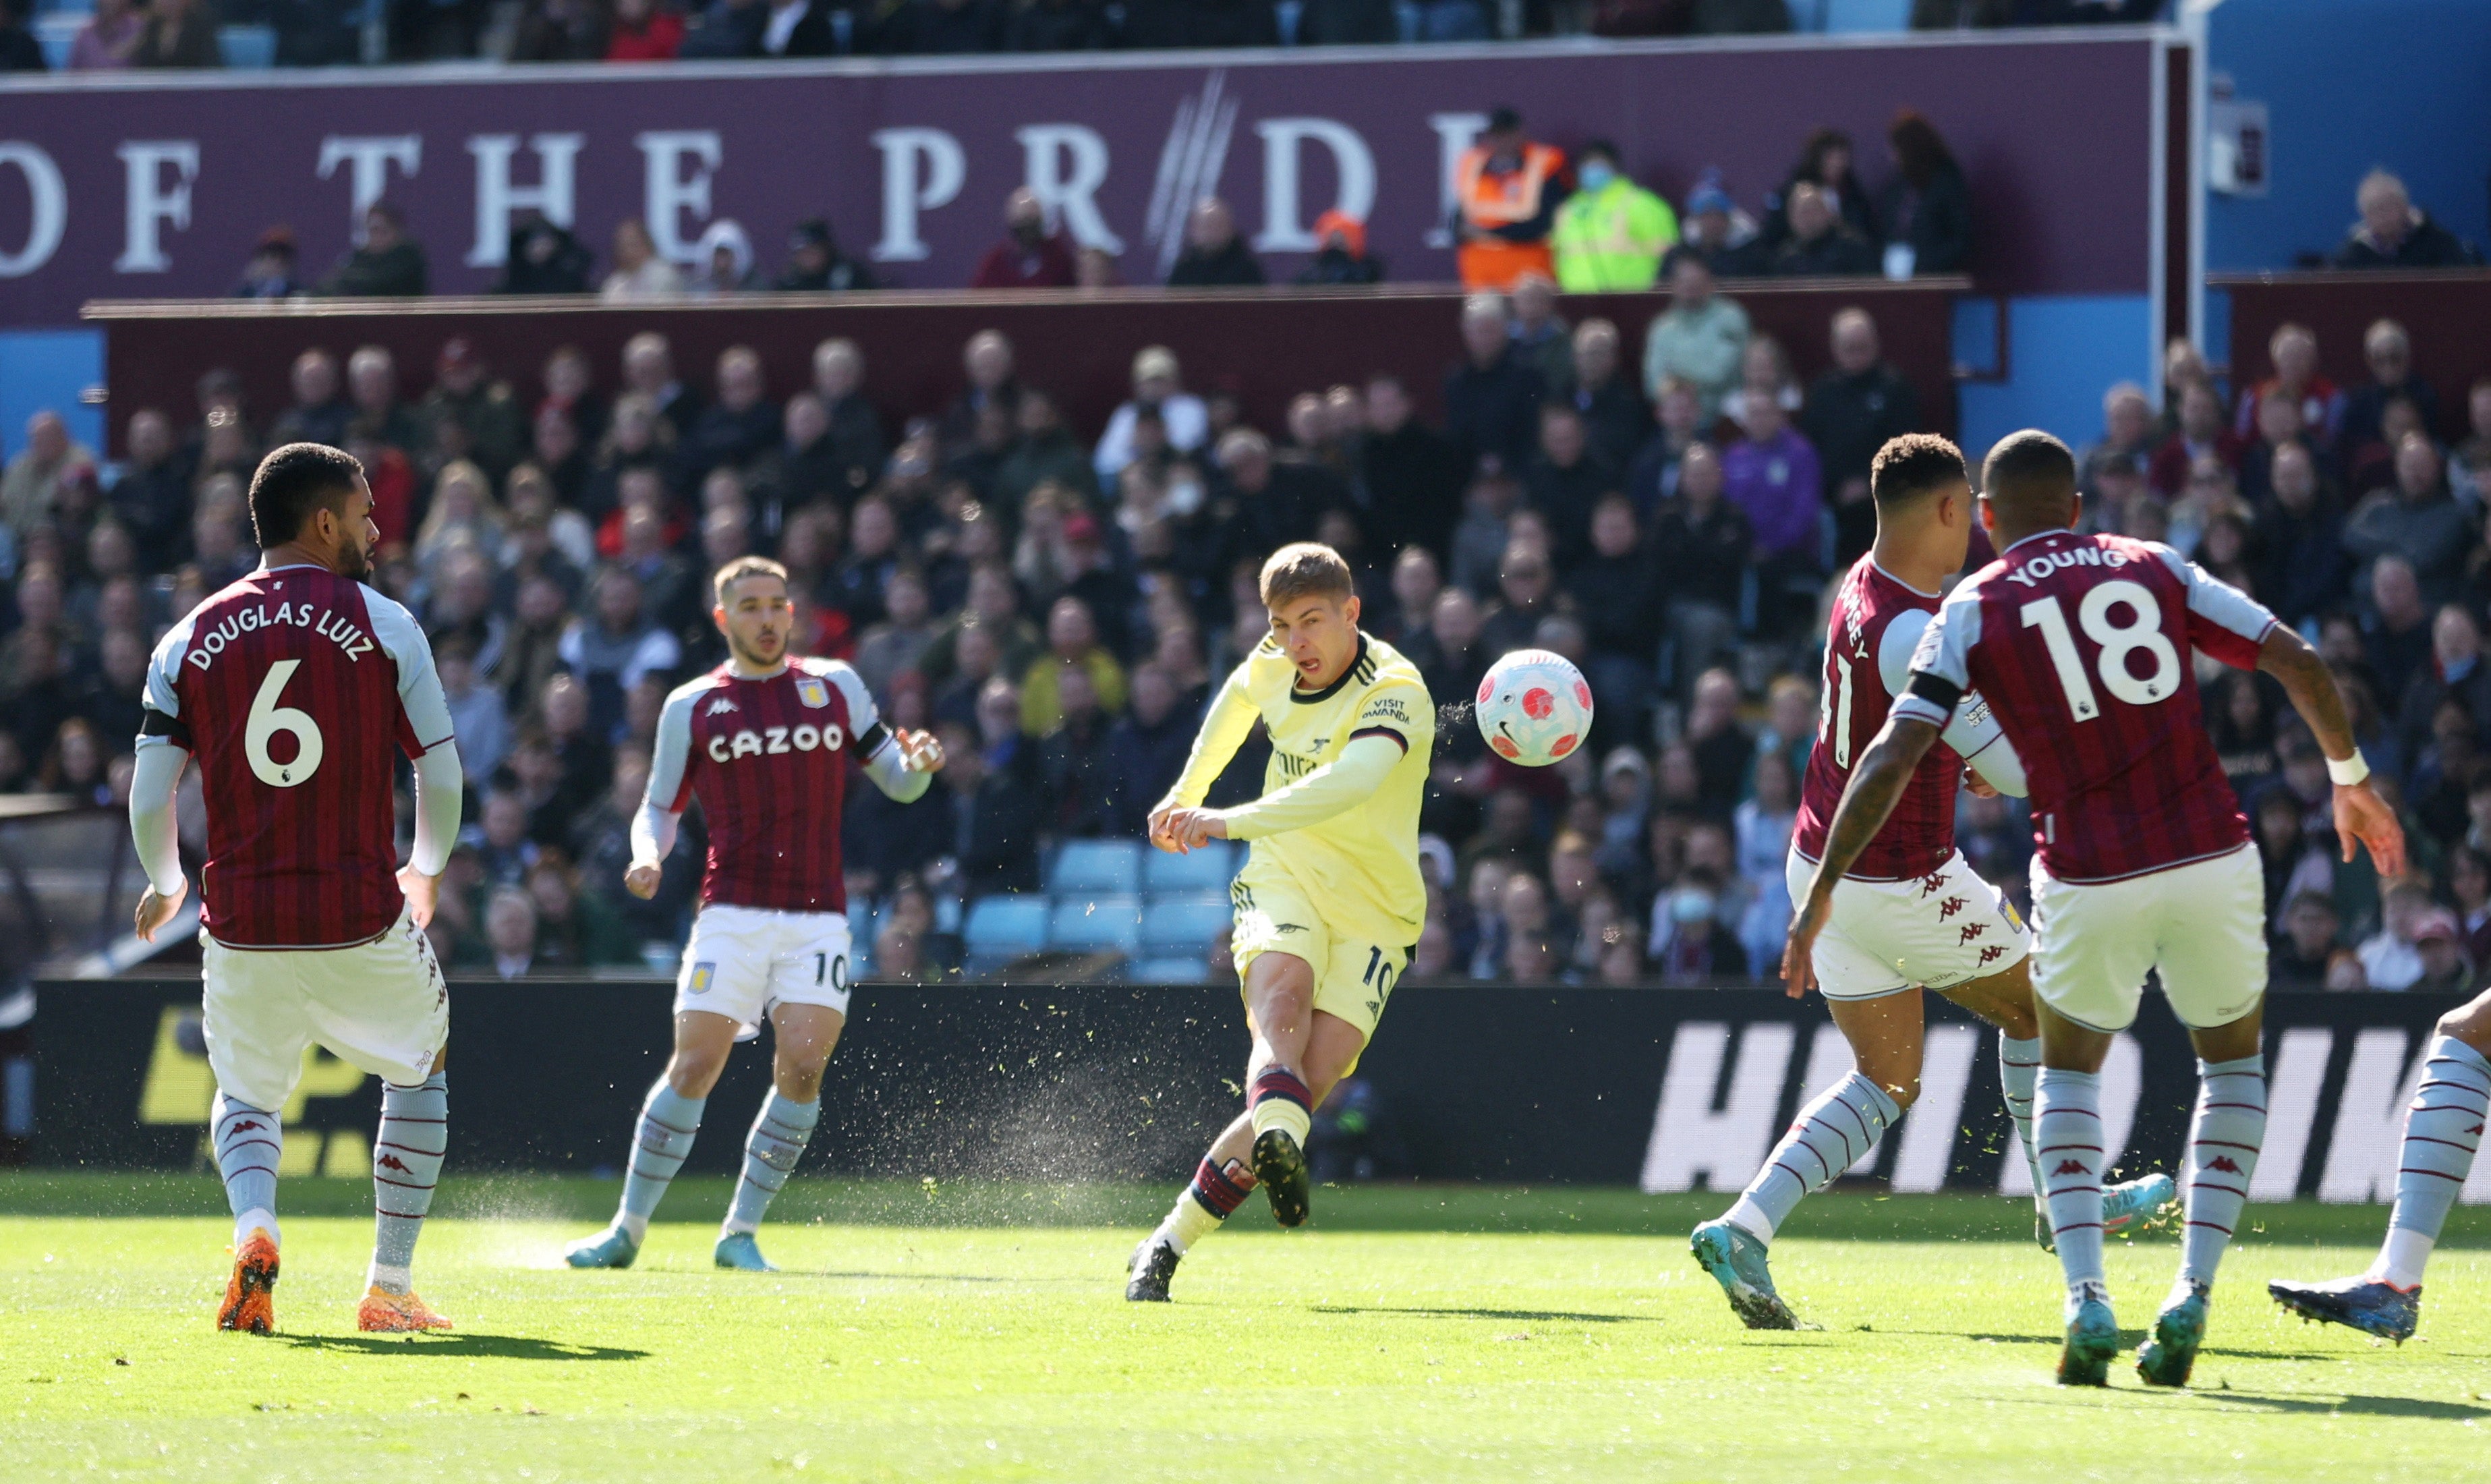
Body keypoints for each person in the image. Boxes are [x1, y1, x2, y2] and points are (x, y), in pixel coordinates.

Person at [1791, 429, 2401, 1387]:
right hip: (2210, 851)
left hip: (2086, 871)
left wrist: (1819, 889)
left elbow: (1890, 754)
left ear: (1986, 519)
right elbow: (2296, 656)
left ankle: (2086, 1299)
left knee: (2065, 1071)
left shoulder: (1973, 604)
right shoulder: (2154, 566)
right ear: (2076, 506)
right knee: (2231, 1070)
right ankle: (2191, 1294)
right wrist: (2349, 776)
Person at [1690, 434, 2170, 1331]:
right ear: (1949, 512)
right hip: (1896, 877)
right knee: (2043, 1009)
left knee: (1886, 1079)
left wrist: (1971, 750)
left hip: (1822, 871)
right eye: (1970, 515)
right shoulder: (1922, 623)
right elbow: (2018, 771)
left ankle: (1742, 1226)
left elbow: (1919, 731)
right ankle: (2064, 1200)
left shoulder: (1860, 591)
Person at [127, 443, 467, 1336]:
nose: (375, 528)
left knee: (246, 1094)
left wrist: (165, 883)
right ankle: (388, 1288)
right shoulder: (387, 623)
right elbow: (440, 767)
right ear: (324, 522)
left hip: (240, 925)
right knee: (420, 1062)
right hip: (357, 912)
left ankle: (255, 1230)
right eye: (362, 514)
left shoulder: (187, 634)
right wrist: (425, 868)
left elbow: (148, 793)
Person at [563, 556, 944, 1274]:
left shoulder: (835, 685)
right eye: (751, 607)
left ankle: (739, 1232)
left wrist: (918, 765)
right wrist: (649, 854)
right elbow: (659, 805)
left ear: (790, 614)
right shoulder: (694, 705)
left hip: (817, 917)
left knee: (802, 1068)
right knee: (696, 1065)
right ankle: (627, 1229)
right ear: (724, 619)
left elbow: (896, 781)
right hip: (731, 912)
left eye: (777, 605)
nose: (767, 618)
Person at [1128, 544, 1434, 1301]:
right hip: (1283, 877)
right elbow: (1235, 704)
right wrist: (1184, 790)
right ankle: (1173, 1251)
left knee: (1308, 1081)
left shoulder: (1397, 690)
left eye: (1312, 622)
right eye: (1281, 625)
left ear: (1351, 612)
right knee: (1281, 1012)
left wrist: (1221, 818)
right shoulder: (1275, 659)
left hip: (1377, 910)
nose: (1296, 642)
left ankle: (1169, 1236)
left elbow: (1348, 783)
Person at [1802, 308, 1921, 563]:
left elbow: (1908, 450)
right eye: (1849, 348)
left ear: (1875, 345)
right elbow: (1811, 450)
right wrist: (1835, 487)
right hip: (1833, 499)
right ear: (1835, 348)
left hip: (1883, 500)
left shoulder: (1895, 388)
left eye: (1862, 347)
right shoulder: (1823, 391)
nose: (1856, 355)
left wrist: (1869, 483)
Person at [1451, 107, 1568, 291]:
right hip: (1481, 278)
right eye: (1496, 134)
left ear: (1520, 133)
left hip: (1529, 276)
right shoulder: (1474, 164)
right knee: (1482, 317)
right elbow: (1457, 221)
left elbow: (1544, 223)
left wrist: (1488, 235)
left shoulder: (1543, 163)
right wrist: (1464, 232)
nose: (1500, 140)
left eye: (1506, 133)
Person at [1551, 140, 1676, 293]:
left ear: (1614, 168)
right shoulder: (1567, 210)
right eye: (1587, 165)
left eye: (1598, 164)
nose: (1591, 170)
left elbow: (1669, 258)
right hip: (1577, 302)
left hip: (1632, 301)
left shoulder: (1643, 204)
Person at [1642, 253, 1749, 423]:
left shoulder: (1730, 318)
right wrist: (1688, 387)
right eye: (1684, 282)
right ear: (1674, 285)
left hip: (1723, 420)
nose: (1691, 287)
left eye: (1697, 281)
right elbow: (1653, 385)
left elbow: (1718, 374)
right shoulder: (1662, 328)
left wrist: (1677, 377)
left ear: (1710, 283)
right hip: (1674, 423)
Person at [1879, 109, 1971, 277]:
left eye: (1897, 149)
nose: (1893, 156)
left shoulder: (1946, 182)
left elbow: (1960, 238)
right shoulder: (1897, 187)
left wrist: (1922, 263)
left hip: (1935, 277)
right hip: (1895, 276)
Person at [2330, 169, 2482, 270]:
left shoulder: (2439, 243)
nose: (2382, 215)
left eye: (2388, 206)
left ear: (2404, 207)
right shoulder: (2351, 254)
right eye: (2374, 209)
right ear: (2364, 215)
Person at [971, 188, 1077, 289]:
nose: (1028, 230)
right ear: (1011, 224)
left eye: (1033, 221)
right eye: (1023, 221)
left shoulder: (1058, 259)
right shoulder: (995, 264)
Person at [317, 204, 428, 298]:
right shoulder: (361, 257)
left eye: (382, 231)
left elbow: (382, 282)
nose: (377, 237)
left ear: (396, 231)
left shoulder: (408, 257)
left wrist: (347, 279)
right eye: (372, 231)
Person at [1771, 184, 1878, 277]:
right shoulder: (1786, 257)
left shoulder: (1853, 249)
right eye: (1800, 212)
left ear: (1828, 213)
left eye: (1812, 210)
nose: (1807, 218)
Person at [1166, 198, 1265, 287]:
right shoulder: (1183, 272)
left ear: (1230, 228)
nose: (1211, 232)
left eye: (1218, 225)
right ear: (1193, 230)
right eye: (1205, 226)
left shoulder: (1247, 271)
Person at [774, 218, 876, 291]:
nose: (806, 257)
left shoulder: (851, 276)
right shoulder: (790, 284)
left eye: (812, 251)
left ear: (826, 249)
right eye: (801, 252)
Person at [1291, 210, 1383, 287]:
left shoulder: (1367, 273)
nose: (1337, 242)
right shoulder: (1312, 274)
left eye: (1343, 237)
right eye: (1332, 237)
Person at [599, 219, 683, 302]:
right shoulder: (615, 283)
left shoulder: (664, 276)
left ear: (646, 244)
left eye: (632, 244)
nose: (627, 251)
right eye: (622, 246)